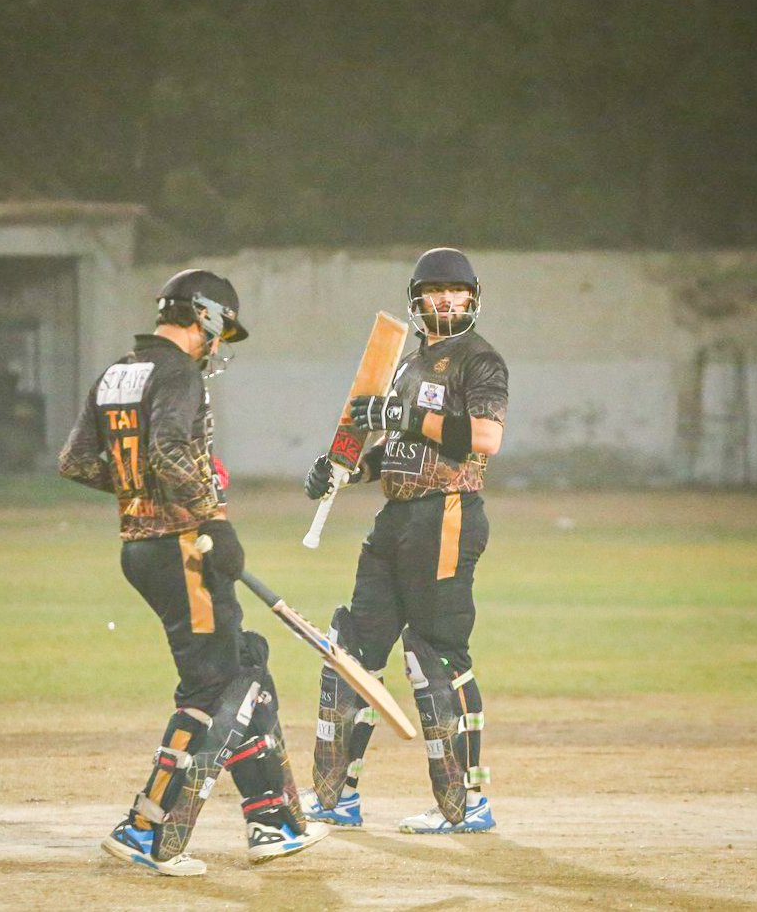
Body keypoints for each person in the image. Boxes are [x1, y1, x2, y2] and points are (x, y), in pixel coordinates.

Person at [59, 269, 327, 875]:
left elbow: (76, 460)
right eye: (220, 332)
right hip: (182, 547)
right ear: (203, 316)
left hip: (140, 546)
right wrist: (212, 517)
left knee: (243, 665)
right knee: (213, 688)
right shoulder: (177, 372)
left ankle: (273, 820)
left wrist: (143, 492)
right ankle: (146, 829)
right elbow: (168, 450)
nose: (218, 345)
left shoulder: (117, 372)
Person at [300, 248, 508, 834]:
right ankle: (335, 795)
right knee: (354, 651)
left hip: (446, 514)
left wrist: (404, 415)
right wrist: (345, 471)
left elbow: (485, 438)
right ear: (417, 300)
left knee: (436, 655)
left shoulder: (479, 360)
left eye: (456, 291)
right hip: (395, 518)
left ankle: (466, 803)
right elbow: (397, 452)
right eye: (434, 291)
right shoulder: (408, 365)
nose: (446, 300)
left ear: (472, 298)